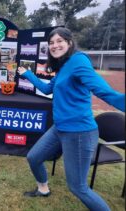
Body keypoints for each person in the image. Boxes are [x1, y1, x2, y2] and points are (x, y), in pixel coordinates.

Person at [17, 27, 125, 211]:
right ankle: (43, 189)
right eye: (51, 43)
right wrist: (27, 75)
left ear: (70, 42)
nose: (55, 45)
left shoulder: (78, 61)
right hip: (60, 128)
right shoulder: (64, 66)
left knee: (78, 187)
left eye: (59, 41)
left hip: (79, 133)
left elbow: (102, 90)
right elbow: (46, 89)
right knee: (34, 157)